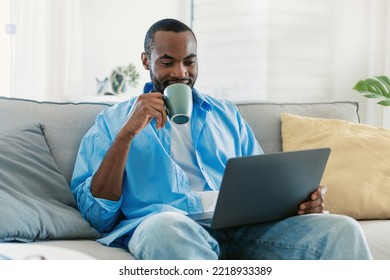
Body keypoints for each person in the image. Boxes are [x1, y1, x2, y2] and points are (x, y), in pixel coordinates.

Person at [71, 18, 372, 260]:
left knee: (340, 229)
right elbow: (98, 215)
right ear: (145, 61)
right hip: (171, 227)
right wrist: (127, 134)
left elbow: (261, 185)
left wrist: (299, 202)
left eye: (189, 61)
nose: (181, 73)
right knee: (165, 229)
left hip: (242, 228)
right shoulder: (113, 121)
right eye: (167, 62)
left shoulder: (225, 114)